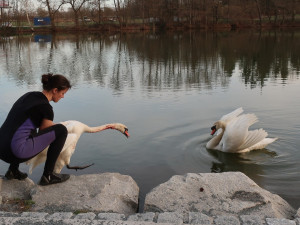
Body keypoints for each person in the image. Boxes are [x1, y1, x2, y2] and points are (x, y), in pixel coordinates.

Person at [0, 73, 72, 186]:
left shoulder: (29, 95)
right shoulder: (46, 108)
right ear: (55, 90)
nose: (63, 96)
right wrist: (58, 126)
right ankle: (48, 176)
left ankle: (12, 170)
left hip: (2, 148)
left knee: (27, 127)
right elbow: (46, 132)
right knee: (61, 131)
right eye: (62, 93)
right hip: (14, 152)